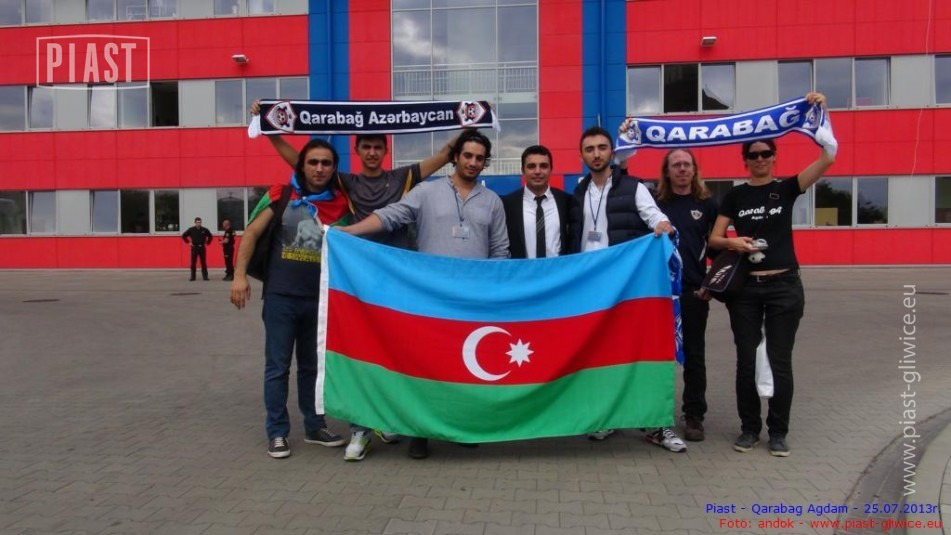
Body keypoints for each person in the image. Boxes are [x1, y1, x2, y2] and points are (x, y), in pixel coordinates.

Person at [251, 101, 457, 460]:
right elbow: (298, 162)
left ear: (385, 151)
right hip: (356, 280)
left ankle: (387, 418)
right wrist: (269, 129)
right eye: (366, 147)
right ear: (358, 151)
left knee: (395, 352)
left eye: (378, 147)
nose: (372, 152)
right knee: (358, 354)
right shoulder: (345, 182)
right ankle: (357, 427)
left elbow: (443, 156)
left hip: (395, 280)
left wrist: (470, 121)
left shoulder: (403, 177)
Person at [339, 128, 509, 459]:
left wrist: (489, 291)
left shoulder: (492, 201)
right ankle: (420, 433)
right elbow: (391, 216)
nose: (473, 162)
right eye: (467, 155)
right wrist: (350, 232)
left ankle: (461, 427)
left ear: (485, 162)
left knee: (464, 366)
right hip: (431, 299)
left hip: (472, 301)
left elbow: (500, 250)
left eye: (479, 158)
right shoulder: (427, 191)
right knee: (428, 365)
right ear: (456, 157)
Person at [708, 92, 836, 457]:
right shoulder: (735, 196)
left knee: (779, 360)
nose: (760, 159)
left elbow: (828, 157)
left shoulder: (787, 188)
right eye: (753, 155)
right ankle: (749, 429)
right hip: (746, 289)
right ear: (745, 160)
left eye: (766, 154)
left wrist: (821, 112)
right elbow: (715, 238)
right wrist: (734, 243)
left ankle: (778, 432)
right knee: (746, 361)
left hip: (784, 286)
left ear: (774, 157)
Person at [230, 139, 351, 459]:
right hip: (281, 297)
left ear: (333, 168)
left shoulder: (341, 205)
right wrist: (239, 276)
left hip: (319, 301)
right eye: (313, 162)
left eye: (326, 163)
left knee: (312, 367)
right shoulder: (280, 195)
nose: (319, 168)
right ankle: (277, 431)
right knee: (277, 367)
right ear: (302, 166)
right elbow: (251, 233)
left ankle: (314, 426)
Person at [571, 125, 680, 449]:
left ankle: (657, 424)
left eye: (602, 147)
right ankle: (608, 418)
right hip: (591, 291)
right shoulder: (578, 190)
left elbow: (655, 217)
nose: (596, 154)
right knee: (602, 357)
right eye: (589, 149)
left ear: (611, 152)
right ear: (582, 155)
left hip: (627, 288)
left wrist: (663, 226)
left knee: (642, 354)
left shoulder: (634, 187)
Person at [654, 149, 719, 442]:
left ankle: (694, 415)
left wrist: (712, 284)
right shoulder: (655, 205)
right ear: (667, 172)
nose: (681, 169)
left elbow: (718, 249)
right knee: (658, 356)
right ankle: (657, 413)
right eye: (675, 165)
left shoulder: (708, 205)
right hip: (659, 295)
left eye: (686, 164)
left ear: (694, 170)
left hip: (694, 293)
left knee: (694, 356)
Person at [502, 145, 578, 258]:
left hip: (558, 269)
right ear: (523, 170)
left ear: (551, 169)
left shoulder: (566, 201)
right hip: (523, 268)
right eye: (531, 166)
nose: (537, 171)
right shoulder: (508, 204)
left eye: (543, 166)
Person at [181, 217, 212, 281]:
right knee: (193, 263)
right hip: (194, 247)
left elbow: (210, 236)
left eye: (200, 222)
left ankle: (205, 277)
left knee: (203, 262)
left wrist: (207, 243)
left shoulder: (204, 229)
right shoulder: (191, 229)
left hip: (202, 247)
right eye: (197, 222)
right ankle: (193, 277)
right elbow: (184, 235)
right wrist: (188, 242)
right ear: (195, 223)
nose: (199, 223)